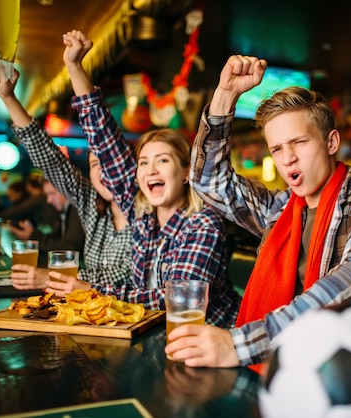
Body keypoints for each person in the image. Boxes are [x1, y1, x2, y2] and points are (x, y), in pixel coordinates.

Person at [165, 55, 351, 368]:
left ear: (331, 141)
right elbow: (207, 181)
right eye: (277, 149)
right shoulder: (279, 209)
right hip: (278, 372)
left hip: (349, 382)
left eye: (299, 142)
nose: (287, 159)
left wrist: (238, 345)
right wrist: (225, 94)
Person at [60, 30, 240, 328]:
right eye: (143, 162)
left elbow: (175, 300)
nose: (150, 170)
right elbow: (104, 141)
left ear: (185, 173)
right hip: (158, 337)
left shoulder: (202, 223)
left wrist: (94, 293)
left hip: (214, 347)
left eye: (163, 160)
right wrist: (75, 67)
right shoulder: (143, 215)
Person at [0, 70, 132, 292]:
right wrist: (9, 99)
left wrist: (51, 278)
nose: (103, 170)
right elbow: (52, 162)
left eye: (109, 162)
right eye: (95, 164)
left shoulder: (146, 213)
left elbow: (125, 277)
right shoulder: (93, 206)